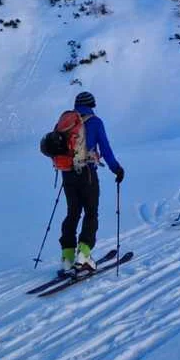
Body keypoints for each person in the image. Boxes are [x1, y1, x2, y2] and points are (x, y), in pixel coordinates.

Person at [56, 91, 125, 275]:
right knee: (91, 212)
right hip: (87, 173)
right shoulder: (95, 122)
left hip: (67, 173)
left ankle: (67, 257)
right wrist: (117, 169)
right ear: (92, 105)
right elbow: (106, 149)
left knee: (72, 213)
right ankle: (83, 256)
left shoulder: (65, 121)